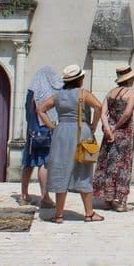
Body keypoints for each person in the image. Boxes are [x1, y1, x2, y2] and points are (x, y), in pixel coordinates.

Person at [41, 64, 104, 223]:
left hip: (61, 133)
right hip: (81, 132)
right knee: (84, 170)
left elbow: (41, 109)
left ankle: (59, 214)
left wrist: (51, 125)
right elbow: (98, 106)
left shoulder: (57, 96)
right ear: (79, 79)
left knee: (61, 170)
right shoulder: (83, 94)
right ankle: (89, 213)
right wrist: (93, 125)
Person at [93, 65, 134, 212]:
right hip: (124, 133)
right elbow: (127, 113)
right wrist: (117, 126)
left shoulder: (110, 92)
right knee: (124, 165)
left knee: (109, 164)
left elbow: (102, 111)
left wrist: (108, 127)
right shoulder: (131, 93)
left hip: (110, 134)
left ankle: (108, 200)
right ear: (129, 78)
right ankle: (121, 202)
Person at [19, 66, 61, 207]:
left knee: (28, 161)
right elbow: (52, 111)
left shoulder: (31, 92)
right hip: (45, 130)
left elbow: (27, 111)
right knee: (44, 163)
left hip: (32, 131)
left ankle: (24, 195)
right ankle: (45, 197)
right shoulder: (49, 93)